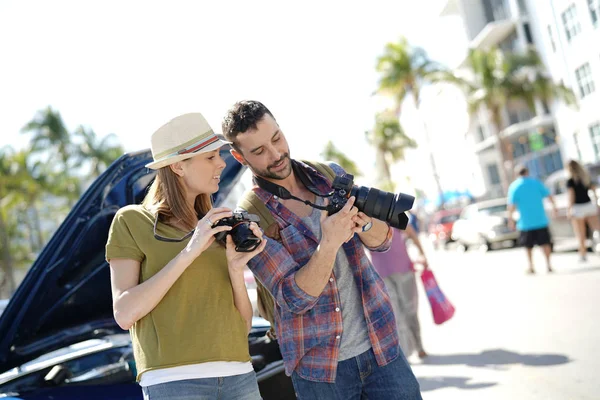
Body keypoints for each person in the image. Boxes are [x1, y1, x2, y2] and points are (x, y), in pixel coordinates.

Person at [221, 100, 422, 400]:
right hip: (320, 370)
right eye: (259, 151)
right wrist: (329, 242)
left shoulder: (328, 176)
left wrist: (365, 225)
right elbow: (295, 298)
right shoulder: (252, 217)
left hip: (381, 346)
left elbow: (383, 241)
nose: (276, 154)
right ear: (239, 156)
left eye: (276, 138)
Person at [105, 113, 267, 400]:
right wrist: (190, 251)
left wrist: (234, 267)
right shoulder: (132, 221)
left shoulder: (217, 225)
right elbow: (125, 313)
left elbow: (241, 327)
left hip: (240, 376)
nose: (221, 163)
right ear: (179, 166)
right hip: (174, 382)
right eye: (210, 157)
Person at [369, 225, 428, 360]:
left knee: (410, 311)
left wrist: (422, 254)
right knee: (396, 315)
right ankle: (406, 353)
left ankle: (419, 346)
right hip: (382, 275)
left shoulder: (393, 214)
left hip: (404, 270)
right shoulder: (365, 218)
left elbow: (412, 233)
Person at [507, 165, 558, 274]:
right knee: (545, 243)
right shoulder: (536, 183)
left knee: (528, 246)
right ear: (527, 172)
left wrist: (510, 220)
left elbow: (511, 206)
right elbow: (549, 196)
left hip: (525, 222)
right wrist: (554, 208)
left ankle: (531, 266)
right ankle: (548, 265)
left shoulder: (514, 186)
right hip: (541, 220)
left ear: (517, 174)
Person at [565, 160, 600, 262]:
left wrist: (569, 209)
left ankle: (583, 255)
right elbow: (593, 190)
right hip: (589, 205)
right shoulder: (585, 177)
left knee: (580, 233)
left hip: (577, 208)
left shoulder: (570, 180)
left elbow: (571, 196)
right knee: (597, 229)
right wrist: (596, 202)